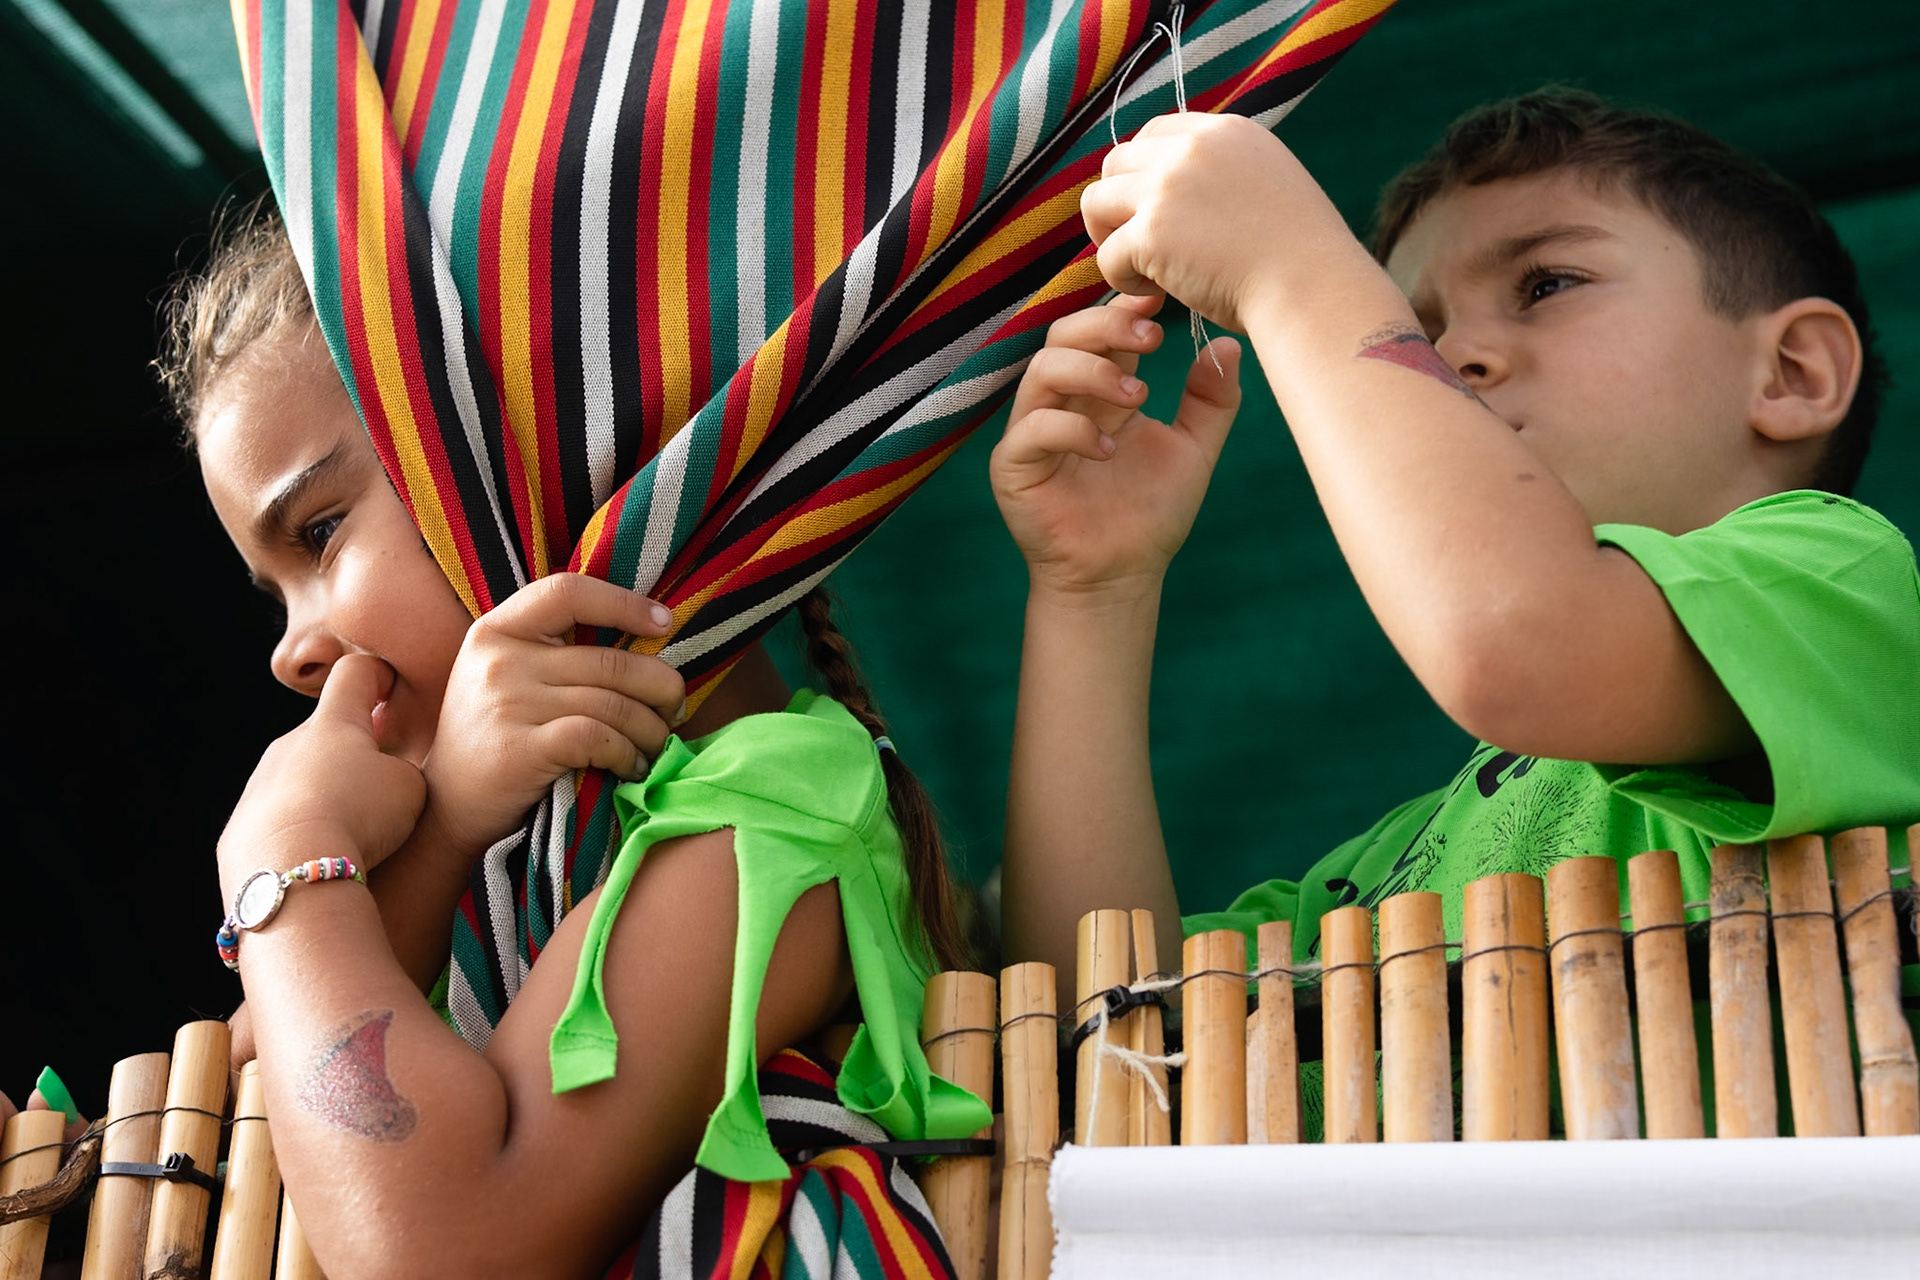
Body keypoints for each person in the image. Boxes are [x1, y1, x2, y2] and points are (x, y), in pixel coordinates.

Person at [2, 208, 988, 1276]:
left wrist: (279, 866)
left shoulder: (783, 806)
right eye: (274, 593)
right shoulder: (485, 862)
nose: (291, 651)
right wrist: (444, 833)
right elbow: (255, 1093)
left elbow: (438, 1247)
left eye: (320, 533)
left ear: (531, 451)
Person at [995, 89, 1920, 1108]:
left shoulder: (1842, 581)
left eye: (1547, 283)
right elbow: (1106, 1046)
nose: (1453, 360)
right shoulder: (1392, 866)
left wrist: (1292, 266)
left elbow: (1519, 643)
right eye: (1414, 329)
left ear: (1792, 372)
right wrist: (1095, 591)